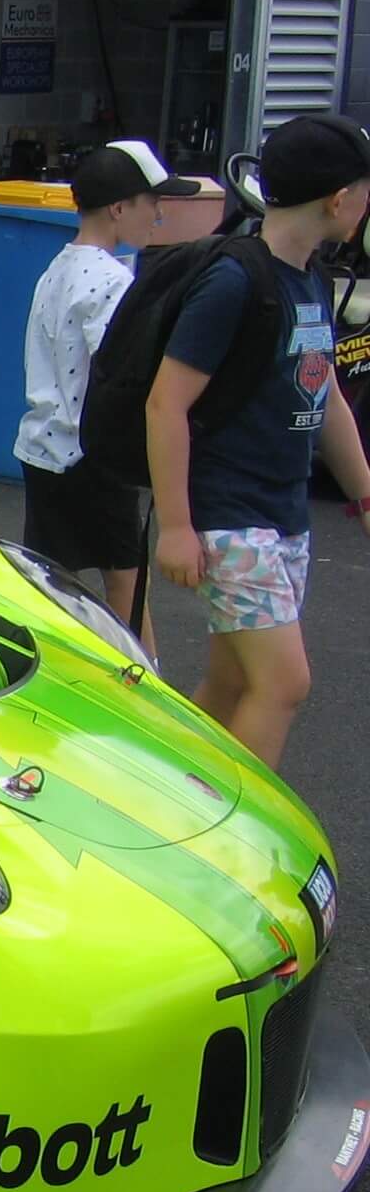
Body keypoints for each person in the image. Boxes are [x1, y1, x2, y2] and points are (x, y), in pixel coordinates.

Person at [148, 114, 370, 769]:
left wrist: (363, 494)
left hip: (283, 516)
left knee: (233, 683)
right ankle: (230, 844)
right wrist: (177, 526)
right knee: (281, 683)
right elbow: (166, 403)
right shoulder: (235, 281)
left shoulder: (310, 280)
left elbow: (323, 395)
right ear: (337, 199)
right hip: (229, 514)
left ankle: (163, 799)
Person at [13, 142, 199, 655]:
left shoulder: (58, 267)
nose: (158, 216)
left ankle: (51, 679)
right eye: (150, 203)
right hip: (93, 457)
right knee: (126, 586)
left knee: (50, 586)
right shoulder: (113, 280)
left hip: (42, 448)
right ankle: (148, 689)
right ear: (119, 208)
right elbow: (125, 372)